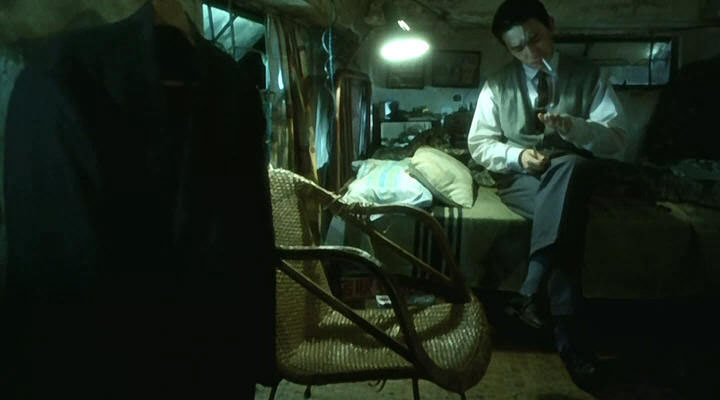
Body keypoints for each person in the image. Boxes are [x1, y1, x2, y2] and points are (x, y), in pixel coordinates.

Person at [1, 1, 277, 399]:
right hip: (200, 354)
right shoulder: (232, 88)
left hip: (105, 360)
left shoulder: (50, 78)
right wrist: (255, 350)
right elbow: (251, 237)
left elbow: (45, 256)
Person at [467, 0, 626, 390]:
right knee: (565, 218)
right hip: (522, 179)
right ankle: (568, 339)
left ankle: (530, 292)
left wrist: (575, 128)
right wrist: (518, 156)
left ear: (550, 25)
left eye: (535, 39)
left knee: (569, 167)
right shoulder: (497, 84)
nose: (530, 52)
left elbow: (617, 139)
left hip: (572, 173)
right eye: (517, 47)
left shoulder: (589, 76)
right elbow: (479, 144)